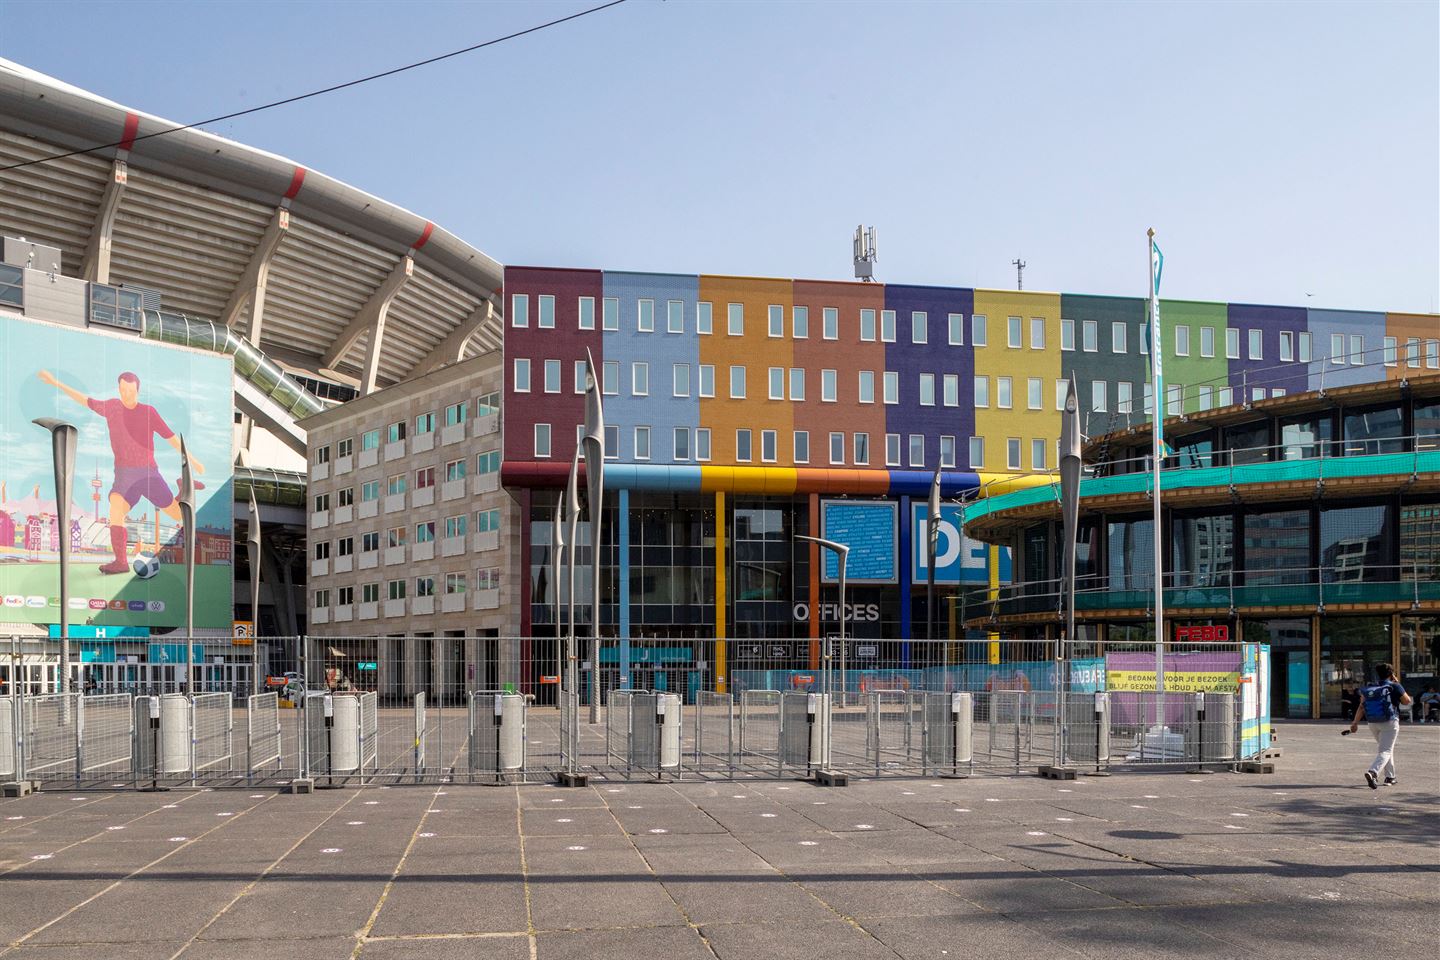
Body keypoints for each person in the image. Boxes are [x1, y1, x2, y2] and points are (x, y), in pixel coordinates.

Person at [38, 369, 204, 574]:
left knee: (177, 514)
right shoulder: (112, 407)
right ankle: (121, 562)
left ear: (138, 391)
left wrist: (192, 461)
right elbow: (85, 400)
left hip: (147, 473)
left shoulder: (148, 412)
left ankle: (183, 488)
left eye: (131, 391)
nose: (126, 394)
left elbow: (170, 437)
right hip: (124, 475)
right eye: (123, 390)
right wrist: (56, 382)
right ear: (118, 389)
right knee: (115, 508)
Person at [1348, 662, 1412, 789]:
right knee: (1386, 750)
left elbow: (1362, 707)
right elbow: (1407, 701)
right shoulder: (1394, 686)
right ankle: (1373, 772)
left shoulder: (1371, 687)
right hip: (1389, 721)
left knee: (1386, 749)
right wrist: (1398, 683)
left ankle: (1390, 777)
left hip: (1372, 723)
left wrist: (1355, 723)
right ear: (1391, 674)